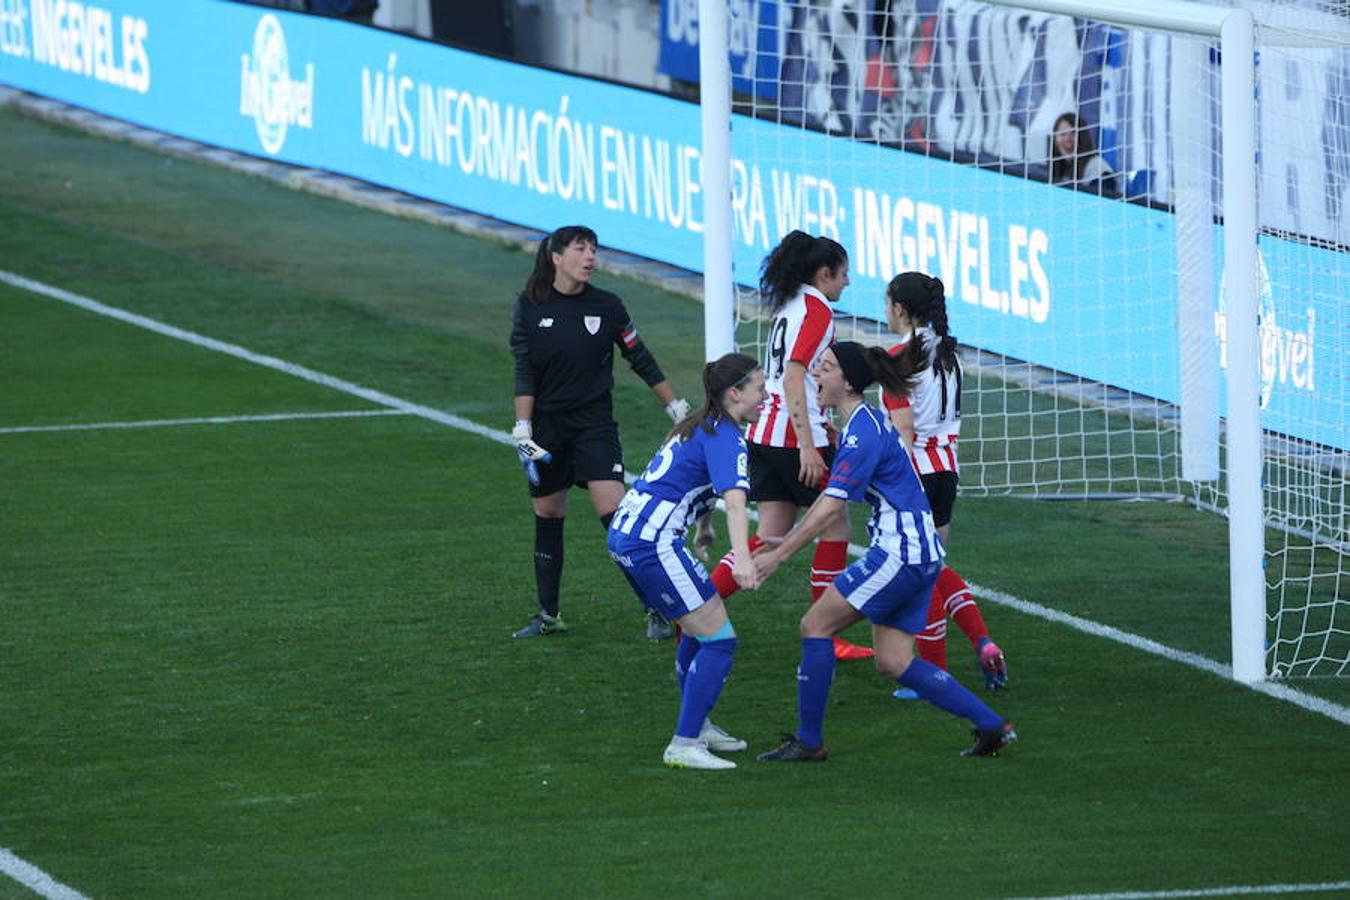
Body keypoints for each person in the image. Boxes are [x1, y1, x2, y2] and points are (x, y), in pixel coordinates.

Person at [754, 342, 1017, 761]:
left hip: (900, 554)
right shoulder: (868, 424)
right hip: (920, 552)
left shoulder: (862, 433)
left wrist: (782, 551)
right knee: (893, 661)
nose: (815, 377)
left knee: (815, 626)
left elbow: (832, 506)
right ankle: (992, 727)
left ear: (848, 381)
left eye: (823, 369)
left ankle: (809, 742)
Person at [509, 225, 690, 640]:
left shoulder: (608, 306)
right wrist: (523, 427)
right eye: (580, 249)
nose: (589, 257)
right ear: (556, 257)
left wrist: (674, 406)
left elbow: (638, 356)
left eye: (593, 249)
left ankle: (658, 609)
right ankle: (548, 614)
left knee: (618, 516)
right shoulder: (530, 306)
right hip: (547, 429)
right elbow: (525, 368)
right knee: (549, 514)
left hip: (594, 425)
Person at [704, 230, 873, 661]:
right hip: (792, 437)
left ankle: (694, 606)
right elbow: (795, 375)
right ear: (824, 273)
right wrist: (808, 445)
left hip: (762, 432)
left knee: (770, 535)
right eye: (843, 274)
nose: (847, 283)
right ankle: (829, 633)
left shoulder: (789, 305)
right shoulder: (816, 311)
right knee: (835, 526)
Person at [607, 353, 766, 770]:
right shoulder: (727, 437)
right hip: (651, 543)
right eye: (759, 389)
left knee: (699, 621)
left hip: (630, 532)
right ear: (735, 393)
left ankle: (699, 724)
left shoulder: (695, 424)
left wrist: (701, 528)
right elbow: (735, 501)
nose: (765, 397)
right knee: (720, 638)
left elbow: (691, 480)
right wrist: (743, 560)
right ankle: (684, 741)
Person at [880, 272, 1008, 698]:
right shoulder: (950, 353)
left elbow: (904, 430)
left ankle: (931, 673)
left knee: (922, 575)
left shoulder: (900, 357)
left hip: (914, 472)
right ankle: (982, 640)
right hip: (946, 469)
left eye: (888, 304)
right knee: (934, 566)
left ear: (899, 309)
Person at [1050, 112, 1120, 197]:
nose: (1068, 139)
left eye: (1073, 133)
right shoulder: (1060, 168)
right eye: (1062, 134)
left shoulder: (1096, 167)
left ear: (1083, 137)